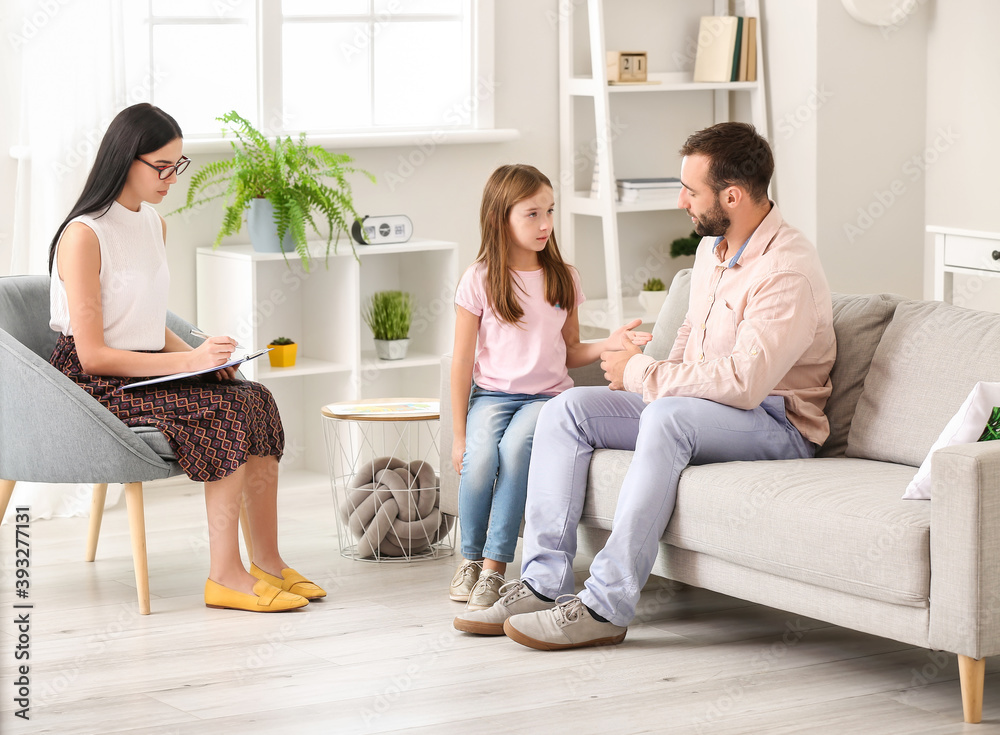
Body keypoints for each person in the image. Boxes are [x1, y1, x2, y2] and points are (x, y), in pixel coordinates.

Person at [454, 122, 836, 648]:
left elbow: (746, 384)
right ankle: (544, 585)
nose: (681, 200)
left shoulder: (785, 272)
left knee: (666, 413)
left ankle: (606, 606)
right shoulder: (714, 251)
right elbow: (687, 339)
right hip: (703, 408)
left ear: (732, 195)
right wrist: (641, 368)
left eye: (691, 191)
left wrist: (645, 375)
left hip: (777, 422)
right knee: (566, 408)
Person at [48, 102, 324, 613]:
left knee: (253, 396)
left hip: (145, 368)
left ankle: (267, 560)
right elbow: (92, 355)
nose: (172, 178)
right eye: (162, 166)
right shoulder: (83, 235)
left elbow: (148, 324)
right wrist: (187, 364)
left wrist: (202, 356)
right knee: (222, 409)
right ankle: (225, 575)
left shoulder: (153, 224)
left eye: (179, 165)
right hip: (93, 385)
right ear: (125, 159)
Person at [448, 164, 651, 612]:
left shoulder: (563, 277)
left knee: (518, 449)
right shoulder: (479, 279)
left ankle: (495, 568)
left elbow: (572, 351)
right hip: (493, 396)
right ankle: (469, 561)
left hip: (549, 398)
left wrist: (611, 343)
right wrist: (460, 436)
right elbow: (462, 361)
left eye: (550, 212)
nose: (545, 225)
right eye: (532, 214)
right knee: (480, 459)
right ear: (502, 218)